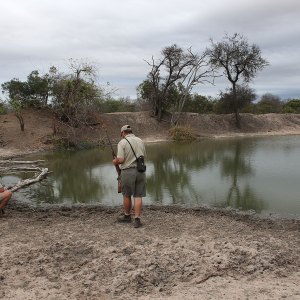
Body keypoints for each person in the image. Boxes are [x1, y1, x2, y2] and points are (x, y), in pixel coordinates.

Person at [112, 125, 146, 228]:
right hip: (141, 171)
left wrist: (115, 161)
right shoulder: (140, 140)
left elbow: (121, 160)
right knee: (138, 195)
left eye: (121, 134)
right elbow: (143, 156)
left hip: (127, 171)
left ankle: (127, 216)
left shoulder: (122, 142)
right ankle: (137, 219)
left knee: (127, 195)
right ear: (131, 131)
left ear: (123, 133)